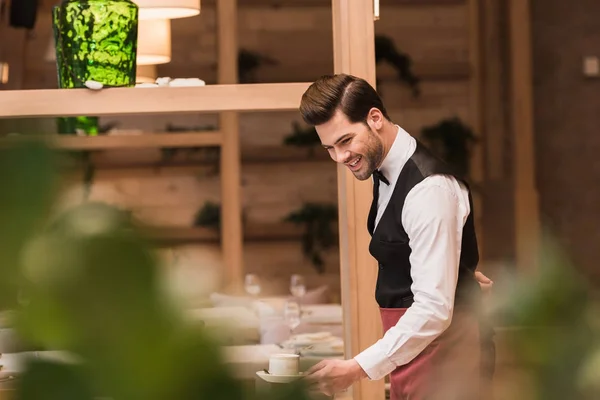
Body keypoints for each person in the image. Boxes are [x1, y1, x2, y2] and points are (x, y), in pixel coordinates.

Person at [299, 74, 494, 400]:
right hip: (416, 348)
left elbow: (433, 309)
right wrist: (457, 275)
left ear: (375, 118)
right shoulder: (384, 167)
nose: (339, 157)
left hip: (446, 353)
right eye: (329, 148)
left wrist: (356, 367)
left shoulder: (429, 190)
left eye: (345, 141)